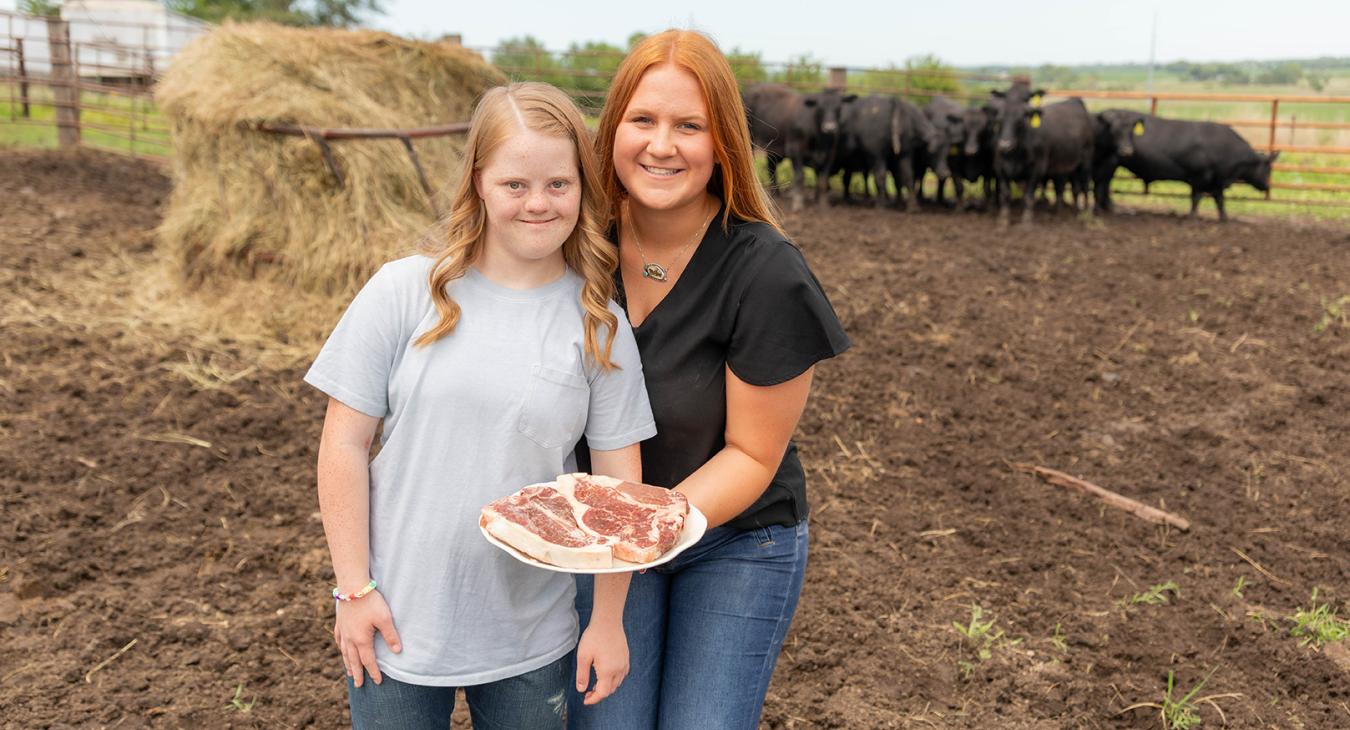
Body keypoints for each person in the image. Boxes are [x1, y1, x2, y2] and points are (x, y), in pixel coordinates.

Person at [306, 82, 656, 729]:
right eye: (515, 185)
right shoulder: (404, 291)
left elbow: (620, 491)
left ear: (583, 188)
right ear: (479, 183)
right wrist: (353, 590)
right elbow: (343, 443)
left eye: (558, 184)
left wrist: (607, 622)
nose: (538, 203)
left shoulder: (599, 326)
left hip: (530, 636)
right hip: (396, 624)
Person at [568, 30, 851, 730]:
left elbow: (753, 455)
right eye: (643, 120)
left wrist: (643, 528)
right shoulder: (574, 242)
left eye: (688, 126)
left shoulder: (766, 272)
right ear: (612, 132)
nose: (661, 145)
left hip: (733, 539)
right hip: (607, 535)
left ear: (722, 142)